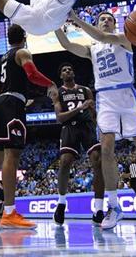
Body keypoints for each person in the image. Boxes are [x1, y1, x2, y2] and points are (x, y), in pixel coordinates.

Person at [54, 10, 136, 230]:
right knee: (107, 148)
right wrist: (54, 23)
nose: (107, 21)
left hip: (127, 96)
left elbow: (102, 37)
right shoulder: (92, 49)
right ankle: (113, 207)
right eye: (102, 19)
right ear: (97, 23)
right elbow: (67, 44)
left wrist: (76, 19)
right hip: (105, 98)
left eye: (110, 19)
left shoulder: (125, 38)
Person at [0, 24, 58, 228]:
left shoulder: (3, 58)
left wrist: (19, 99)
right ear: (24, 38)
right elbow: (32, 74)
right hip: (11, 106)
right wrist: (50, 83)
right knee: (11, 156)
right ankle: (9, 213)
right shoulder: (23, 52)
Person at [51, 62, 104, 226]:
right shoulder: (58, 93)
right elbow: (60, 117)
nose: (67, 71)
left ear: (73, 73)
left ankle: (99, 208)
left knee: (97, 160)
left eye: (70, 69)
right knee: (65, 161)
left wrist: (93, 113)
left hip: (87, 128)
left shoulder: (86, 90)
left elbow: (94, 113)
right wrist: (81, 108)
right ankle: (61, 203)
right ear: (61, 76)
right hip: (70, 128)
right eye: (64, 70)